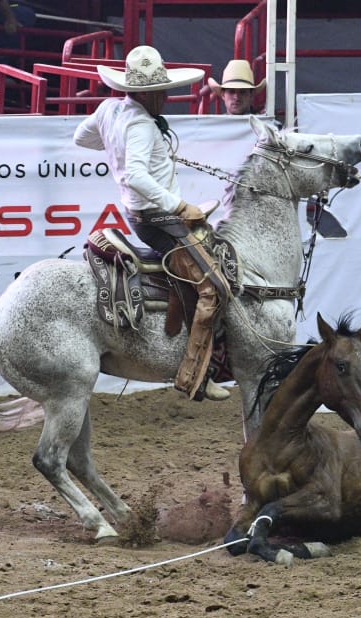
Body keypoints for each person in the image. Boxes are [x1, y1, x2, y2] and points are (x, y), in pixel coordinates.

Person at [73, 45, 230, 402]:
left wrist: (115, 143)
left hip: (142, 214)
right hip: (158, 218)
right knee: (211, 286)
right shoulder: (142, 125)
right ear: (151, 93)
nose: (166, 96)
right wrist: (180, 204)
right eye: (162, 91)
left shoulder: (109, 109)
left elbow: (81, 137)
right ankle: (196, 374)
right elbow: (136, 176)